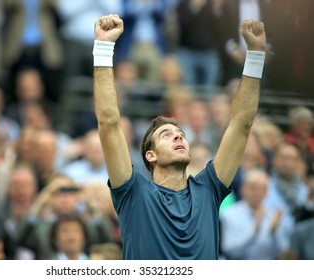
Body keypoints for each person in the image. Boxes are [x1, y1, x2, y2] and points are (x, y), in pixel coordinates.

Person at [93, 14, 267, 259]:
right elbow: (109, 122)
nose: (178, 138)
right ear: (150, 155)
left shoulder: (208, 189)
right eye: (167, 135)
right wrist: (103, 47)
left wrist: (256, 55)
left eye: (181, 134)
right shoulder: (133, 192)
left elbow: (241, 125)